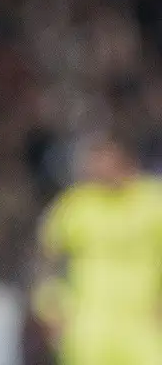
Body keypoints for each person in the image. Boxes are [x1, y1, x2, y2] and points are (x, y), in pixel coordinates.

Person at [36, 133, 162, 365]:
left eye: (103, 157)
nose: (95, 167)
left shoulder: (154, 201)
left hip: (144, 323)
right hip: (89, 326)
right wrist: (48, 303)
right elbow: (47, 257)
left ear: (125, 158)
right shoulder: (76, 205)